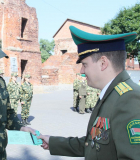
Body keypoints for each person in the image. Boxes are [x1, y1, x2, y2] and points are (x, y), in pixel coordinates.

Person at [38, 26, 140, 159]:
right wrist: (52, 142)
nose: (81, 71)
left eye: (85, 64)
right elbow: (93, 143)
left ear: (103, 63)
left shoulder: (128, 98)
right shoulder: (111, 94)